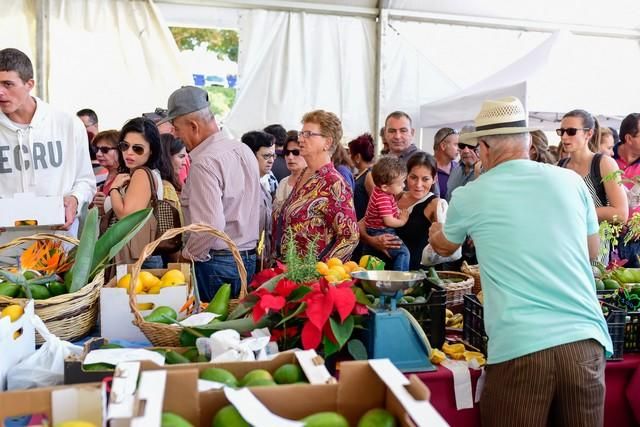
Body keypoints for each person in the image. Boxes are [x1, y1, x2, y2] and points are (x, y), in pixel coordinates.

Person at [429, 96, 612, 427]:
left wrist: (435, 228)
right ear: (527, 142)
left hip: (520, 348)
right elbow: (592, 252)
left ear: (484, 148)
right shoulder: (571, 181)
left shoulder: (472, 194)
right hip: (584, 341)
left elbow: (444, 248)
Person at [162, 86, 261, 300]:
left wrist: (187, 256)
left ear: (193, 126)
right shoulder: (243, 150)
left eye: (176, 128)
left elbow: (210, 225)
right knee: (233, 332)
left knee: (210, 328)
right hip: (248, 258)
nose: (176, 135)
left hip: (216, 263)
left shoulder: (204, 163)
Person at [0, 48, 95, 244]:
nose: (1, 92)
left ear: (29, 84)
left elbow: (86, 180)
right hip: (5, 245)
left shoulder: (67, 124)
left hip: (58, 242)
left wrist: (75, 200)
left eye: (8, 84)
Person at [272, 110, 358, 262]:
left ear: (328, 142)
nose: (301, 139)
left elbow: (350, 236)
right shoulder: (304, 174)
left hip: (310, 279)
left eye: (308, 134)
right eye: (301, 133)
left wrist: (321, 269)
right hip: (286, 272)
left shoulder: (333, 182)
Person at [107, 117, 178, 268]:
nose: (129, 153)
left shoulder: (141, 174)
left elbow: (127, 217)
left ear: (151, 150)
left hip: (137, 258)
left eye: (137, 148)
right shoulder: (148, 173)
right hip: (143, 256)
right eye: (124, 146)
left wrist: (113, 189)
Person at [359, 152, 440, 270]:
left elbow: (446, 244)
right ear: (406, 176)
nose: (418, 185)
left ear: (434, 179)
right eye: (413, 177)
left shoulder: (435, 204)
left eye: (425, 179)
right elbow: (360, 225)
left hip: (411, 276)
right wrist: (373, 241)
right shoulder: (393, 194)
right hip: (377, 270)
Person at [362, 156, 410, 271]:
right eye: (400, 184)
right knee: (403, 253)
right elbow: (388, 221)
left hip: (373, 229)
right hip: (381, 231)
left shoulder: (381, 191)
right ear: (385, 187)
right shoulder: (383, 198)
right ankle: (399, 278)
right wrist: (402, 220)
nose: (404, 186)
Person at [241, 130, 276, 270]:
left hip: (259, 262)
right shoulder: (241, 188)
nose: (271, 160)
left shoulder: (262, 187)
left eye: (273, 155)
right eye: (266, 156)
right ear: (250, 156)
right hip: (244, 259)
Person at [90, 130, 121, 215]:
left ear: (120, 150)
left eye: (105, 150)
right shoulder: (109, 176)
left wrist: (107, 203)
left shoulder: (125, 178)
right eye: (96, 149)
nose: (98, 154)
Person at [273, 131, 306, 208]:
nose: (290, 157)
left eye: (296, 152)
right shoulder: (283, 183)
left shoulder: (315, 182)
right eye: (287, 153)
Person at [348, 133, 375, 220]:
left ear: (357, 157)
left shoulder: (369, 175)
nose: (349, 156)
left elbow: (376, 205)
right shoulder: (361, 174)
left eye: (350, 153)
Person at [446, 126, 478, 201]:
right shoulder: (454, 170)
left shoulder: (487, 173)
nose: (466, 150)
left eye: (471, 145)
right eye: (462, 145)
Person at [433, 127, 459, 199]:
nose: (459, 149)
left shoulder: (459, 169)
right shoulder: (426, 168)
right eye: (456, 144)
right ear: (443, 146)